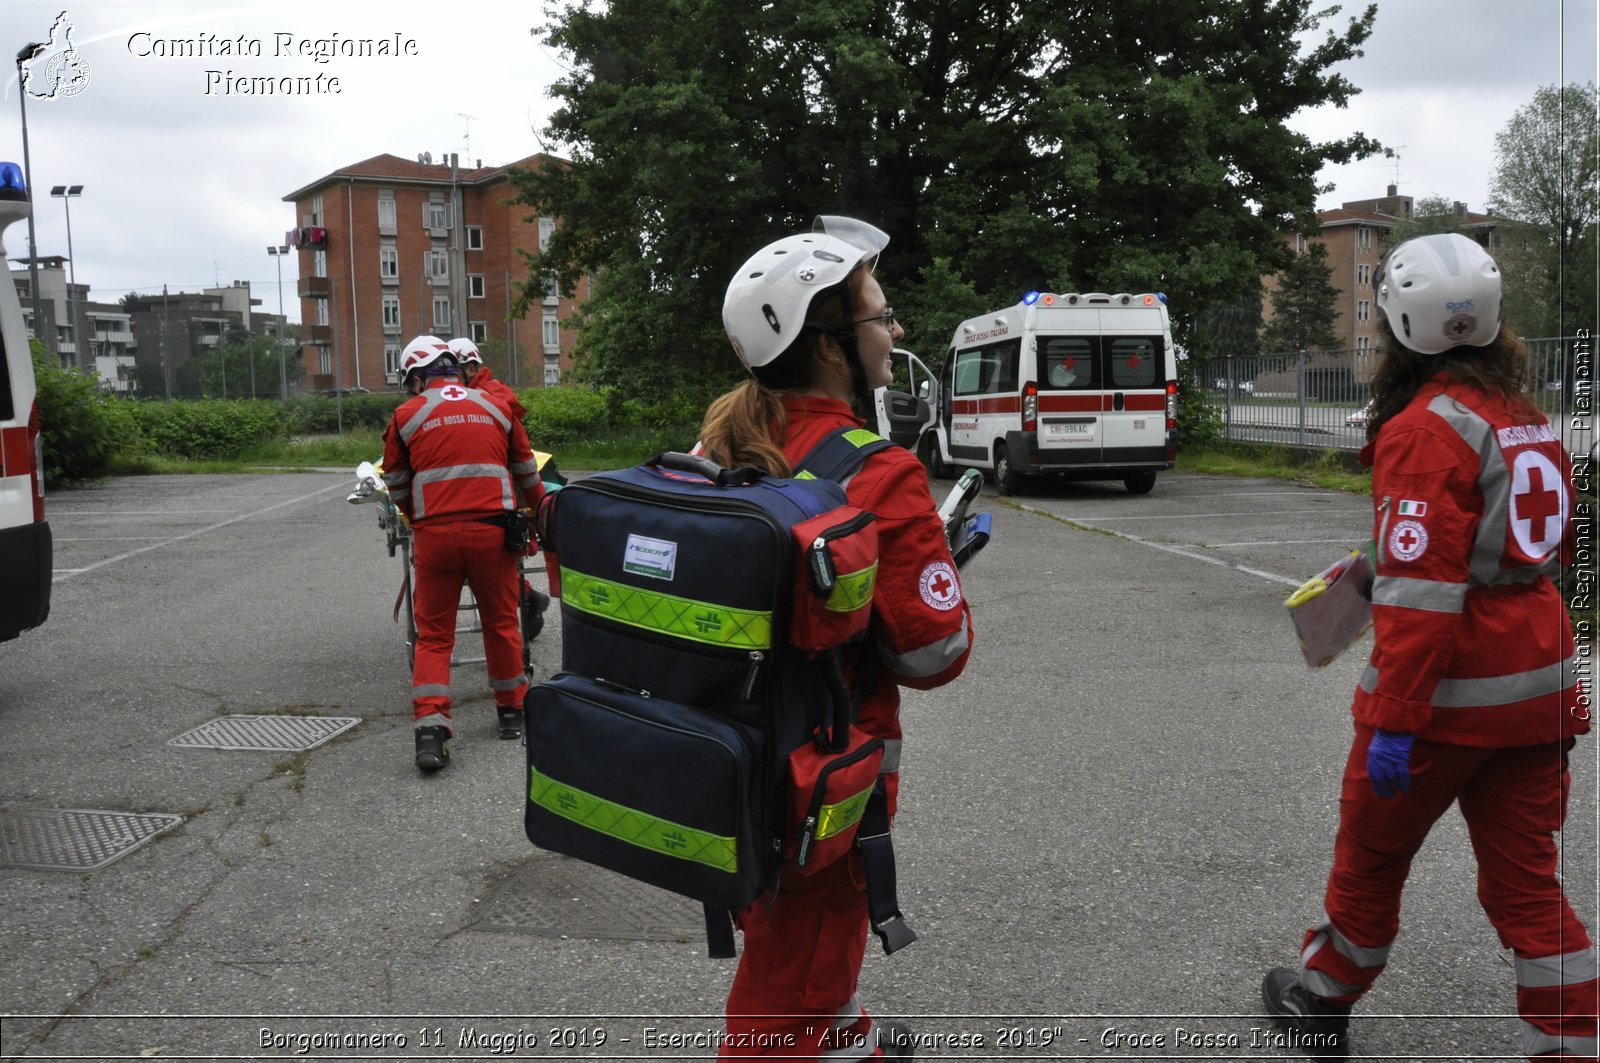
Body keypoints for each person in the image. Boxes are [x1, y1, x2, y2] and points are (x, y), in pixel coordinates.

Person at [1261, 233, 1596, 1060]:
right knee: (1527, 881)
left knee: (1372, 854)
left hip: (1451, 695)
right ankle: (1573, 1039)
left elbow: (1422, 600)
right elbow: (1526, 545)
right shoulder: (1524, 417)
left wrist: (1396, 720)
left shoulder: (1423, 428)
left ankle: (1325, 994)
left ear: (1397, 328)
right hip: (1539, 683)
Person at [703, 217, 975, 1060]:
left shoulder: (717, 446)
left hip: (726, 771)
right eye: (879, 317)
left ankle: (850, 1036)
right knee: (784, 1002)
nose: (893, 332)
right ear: (829, 343)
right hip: (824, 792)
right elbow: (936, 654)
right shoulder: (879, 471)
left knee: (803, 957)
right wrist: (936, 565)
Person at [381, 335, 546, 770]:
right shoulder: (496, 406)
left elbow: (395, 483)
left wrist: (419, 518)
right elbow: (527, 471)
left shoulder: (406, 415)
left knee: (434, 636)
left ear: (417, 376)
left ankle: (431, 731)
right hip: (494, 535)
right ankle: (513, 711)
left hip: (436, 537)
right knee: (501, 620)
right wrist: (542, 516)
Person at [450, 336, 551, 642]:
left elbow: (517, 456)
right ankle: (528, 596)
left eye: (451, 370)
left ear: (468, 368)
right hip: (493, 488)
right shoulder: (478, 392)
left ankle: (526, 598)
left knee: (479, 562)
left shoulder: (490, 396)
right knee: (486, 564)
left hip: (497, 492)